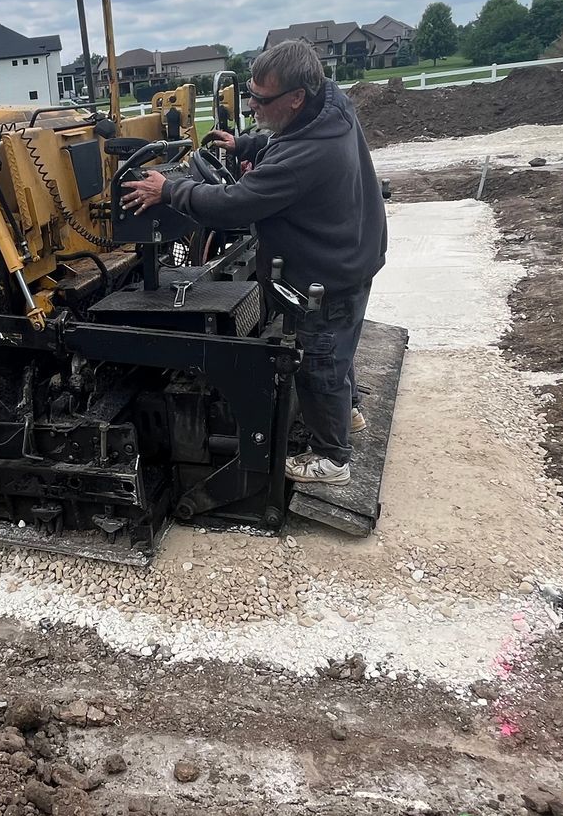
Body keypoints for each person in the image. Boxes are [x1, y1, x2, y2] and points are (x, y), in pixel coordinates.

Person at [120, 38, 385, 485]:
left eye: (261, 100)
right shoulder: (330, 106)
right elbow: (287, 141)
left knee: (319, 358)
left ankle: (331, 459)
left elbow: (235, 205)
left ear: (295, 96)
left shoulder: (306, 155)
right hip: (352, 254)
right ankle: (349, 413)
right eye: (250, 94)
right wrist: (245, 144)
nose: (251, 105)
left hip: (327, 272)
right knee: (338, 345)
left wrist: (168, 190)